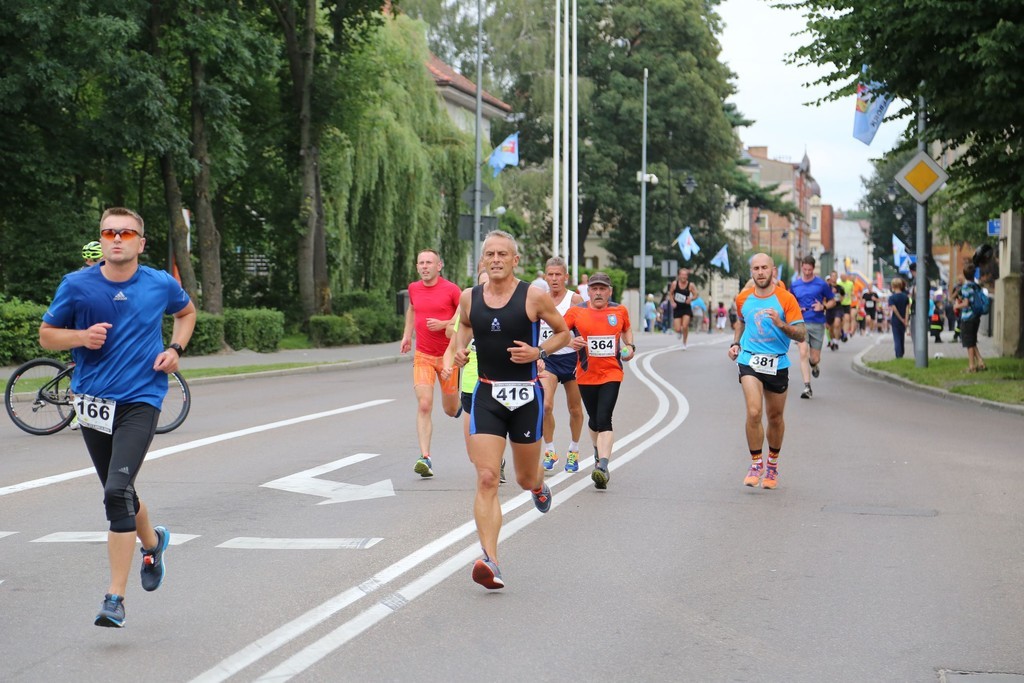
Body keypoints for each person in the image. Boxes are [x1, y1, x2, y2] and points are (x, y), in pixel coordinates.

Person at [38, 207, 196, 628]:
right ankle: (154, 543)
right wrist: (80, 337)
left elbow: (186, 313)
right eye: (109, 233)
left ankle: (115, 598)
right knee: (120, 490)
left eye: (126, 233)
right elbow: (47, 335)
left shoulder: (159, 283)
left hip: (141, 399)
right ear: (101, 240)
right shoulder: (77, 285)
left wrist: (175, 350)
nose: (117, 239)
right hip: (93, 402)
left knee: (116, 491)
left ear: (140, 243)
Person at [449, 230, 570, 589]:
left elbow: (563, 332)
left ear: (515, 260)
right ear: (482, 260)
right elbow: (464, 326)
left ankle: (538, 485)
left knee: (525, 478)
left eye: (503, 254)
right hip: (487, 394)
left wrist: (539, 352)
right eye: (490, 254)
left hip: (526, 396)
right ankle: (491, 561)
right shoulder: (469, 297)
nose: (496, 259)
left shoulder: (533, 296)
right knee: (487, 477)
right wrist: (459, 349)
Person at [727, 253, 804, 490]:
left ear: (773, 271)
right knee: (753, 412)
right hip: (749, 359)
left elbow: (801, 334)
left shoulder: (786, 299)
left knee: (775, 417)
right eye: (756, 268)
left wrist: (781, 324)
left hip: (777, 363)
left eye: (764, 268)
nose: (760, 272)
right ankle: (755, 464)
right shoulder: (743, 298)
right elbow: (741, 321)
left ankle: (772, 465)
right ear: (751, 272)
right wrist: (736, 343)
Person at [563, 272, 635, 490]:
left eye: (602, 289)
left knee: (604, 418)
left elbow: (627, 329)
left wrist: (630, 346)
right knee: (594, 420)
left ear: (609, 291)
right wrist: (570, 341)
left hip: (612, 373)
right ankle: (598, 451)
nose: (598, 293)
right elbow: (560, 333)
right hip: (585, 374)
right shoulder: (576, 312)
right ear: (588, 291)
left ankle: (602, 466)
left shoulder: (619, 311)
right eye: (594, 289)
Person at [400, 249, 462, 477]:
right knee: (425, 405)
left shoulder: (452, 290)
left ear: (439, 266)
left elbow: (464, 315)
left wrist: (444, 323)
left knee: (450, 410)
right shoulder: (413, 288)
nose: (425, 266)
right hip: (423, 355)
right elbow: (412, 309)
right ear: (417, 266)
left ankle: (459, 405)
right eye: (421, 263)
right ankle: (425, 457)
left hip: (448, 355)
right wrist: (407, 335)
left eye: (429, 262)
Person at [538, 257, 585, 474]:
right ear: (545, 277)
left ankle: (574, 450)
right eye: (551, 274)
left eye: (558, 275)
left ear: (566, 277)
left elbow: (584, 330)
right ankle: (550, 451)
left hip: (572, 360)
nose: (554, 279)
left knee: (575, 409)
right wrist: (536, 354)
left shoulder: (574, 300)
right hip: (548, 360)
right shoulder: (540, 299)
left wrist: (577, 342)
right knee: (545, 406)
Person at [788, 255, 835, 399]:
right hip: (801, 322)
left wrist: (823, 306)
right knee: (803, 352)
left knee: (814, 358)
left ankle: (814, 365)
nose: (807, 272)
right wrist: (796, 308)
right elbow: (789, 302)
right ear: (802, 268)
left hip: (817, 322)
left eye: (810, 270)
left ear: (813, 268)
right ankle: (807, 387)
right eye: (805, 269)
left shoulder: (821, 284)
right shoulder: (795, 285)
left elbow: (833, 301)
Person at [954, 264, 988, 373]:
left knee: (969, 343)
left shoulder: (966, 287)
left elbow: (966, 303)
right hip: (976, 316)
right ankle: (980, 362)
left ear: (964, 275)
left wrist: (956, 306)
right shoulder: (976, 286)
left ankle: (972, 366)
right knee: (972, 340)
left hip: (968, 317)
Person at [667, 267, 697, 349]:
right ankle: (679, 332)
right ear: (679, 275)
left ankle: (684, 343)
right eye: (682, 274)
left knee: (685, 325)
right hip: (677, 308)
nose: (683, 276)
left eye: (685, 275)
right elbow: (670, 294)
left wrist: (691, 299)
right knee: (677, 328)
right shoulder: (674, 284)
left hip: (686, 308)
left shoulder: (690, 285)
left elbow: (696, 295)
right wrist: (672, 302)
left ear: (687, 276)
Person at [887, 277, 911, 359]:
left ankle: (898, 355)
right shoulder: (905, 297)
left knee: (896, 338)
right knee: (902, 337)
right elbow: (907, 309)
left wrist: (901, 319)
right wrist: (906, 319)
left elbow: (894, 310)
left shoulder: (892, 298)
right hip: (904, 320)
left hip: (896, 320)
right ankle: (902, 353)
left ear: (893, 286)